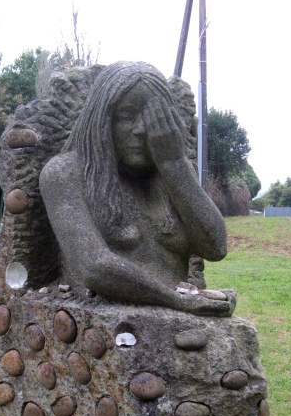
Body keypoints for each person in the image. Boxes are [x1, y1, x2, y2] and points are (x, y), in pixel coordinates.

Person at [39, 61, 235, 316]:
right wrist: (177, 300)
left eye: (155, 119)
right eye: (127, 116)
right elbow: (94, 267)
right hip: (107, 323)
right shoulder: (64, 173)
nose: (142, 130)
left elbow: (216, 248)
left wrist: (174, 164)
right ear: (101, 120)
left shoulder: (171, 173)